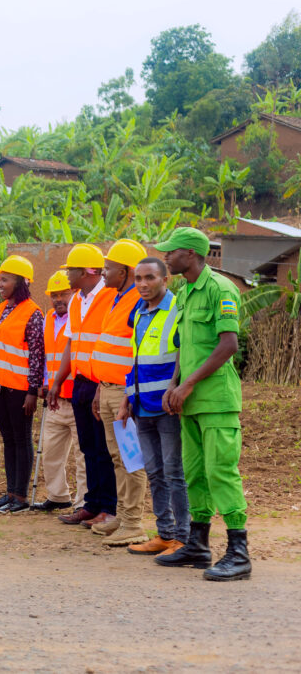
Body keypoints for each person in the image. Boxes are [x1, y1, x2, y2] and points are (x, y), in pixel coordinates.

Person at [155, 227, 251, 581]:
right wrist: (174, 384)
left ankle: (239, 551)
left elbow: (228, 345)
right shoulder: (185, 293)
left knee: (220, 471)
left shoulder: (219, 289)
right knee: (194, 473)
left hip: (216, 400)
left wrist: (190, 384)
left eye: (171, 252)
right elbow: (186, 345)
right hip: (189, 401)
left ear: (191, 255)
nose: (166, 256)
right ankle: (198, 544)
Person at [117, 257, 189, 557]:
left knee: (174, 472)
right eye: (138, 279)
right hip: (141, 406)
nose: (143, 284)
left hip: (167, 407)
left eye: (150, 278)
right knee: (155, 473)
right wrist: (126, 400)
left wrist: (176, 389)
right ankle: (164, 534)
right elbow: (135, 360)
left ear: (165, 279)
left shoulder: (176, 311)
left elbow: (184, 355)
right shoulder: (139, 312)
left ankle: (183, 538)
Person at [48, 244, 117, 528]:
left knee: (103, 447)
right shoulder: (77, 300)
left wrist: (102, 384)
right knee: (88, 447)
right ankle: (92, 505)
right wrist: (57, 381)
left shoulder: (111, 297)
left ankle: (108, 508)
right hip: (80, 383)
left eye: (71, 270)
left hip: (101, 383)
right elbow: (71, 343)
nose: (67, 275)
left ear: (88, 271)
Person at [89, 239, 148, 546]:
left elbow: (139, 351)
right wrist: (101, 388)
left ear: (124, 271)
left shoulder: (138, 301)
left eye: (108, 268)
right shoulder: (117, 298)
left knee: (131, 459)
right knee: (117, 457)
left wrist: (128, 393)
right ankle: (123, 518)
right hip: (110, 389)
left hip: (125, 393)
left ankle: (134, 522)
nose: (103, 272)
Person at [0, 256, 44, 513]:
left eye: (5, 280)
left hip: (20, 390)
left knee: (21, 439)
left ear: (20, 282)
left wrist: (32, 391)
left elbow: (38, 356)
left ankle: (21, 496)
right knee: (8, 440)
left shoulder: (34, 313)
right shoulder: (1, 309)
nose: (0, 285)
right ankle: (10, 493)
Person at [31, 270, 87, 513]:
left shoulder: (80, 316)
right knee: (50, 451)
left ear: (73, 292)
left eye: (63, 293)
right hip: (54, 397)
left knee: (82, 456)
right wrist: (45, 382)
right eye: (54, 295)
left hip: (77, 395)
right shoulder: (49, 318)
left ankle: (84, 502)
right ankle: (58, 496)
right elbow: (46, 357)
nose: (58, 299)